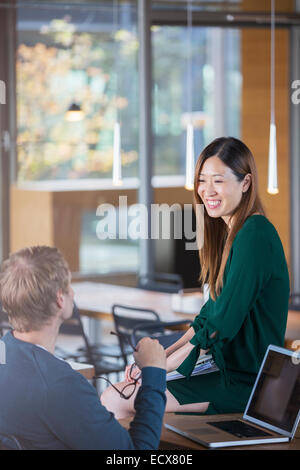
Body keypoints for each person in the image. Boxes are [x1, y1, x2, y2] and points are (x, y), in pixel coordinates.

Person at [101, 136, 290, 419]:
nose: (207, 190)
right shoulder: (232, 236)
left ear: (246, 183)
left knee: (118, 399)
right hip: (221, 372)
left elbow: (218, 328)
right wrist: (160, 361)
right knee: (118, 395)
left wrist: (159, 369)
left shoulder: (255, 234)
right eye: (202, 180)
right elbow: (206, 320)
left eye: (218, 180)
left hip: (245, 384)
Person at [0, 246, 167, 450]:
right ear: (60, 299)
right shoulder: (61, 386)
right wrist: (154, 372)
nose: (73, 291)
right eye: (68, 285)